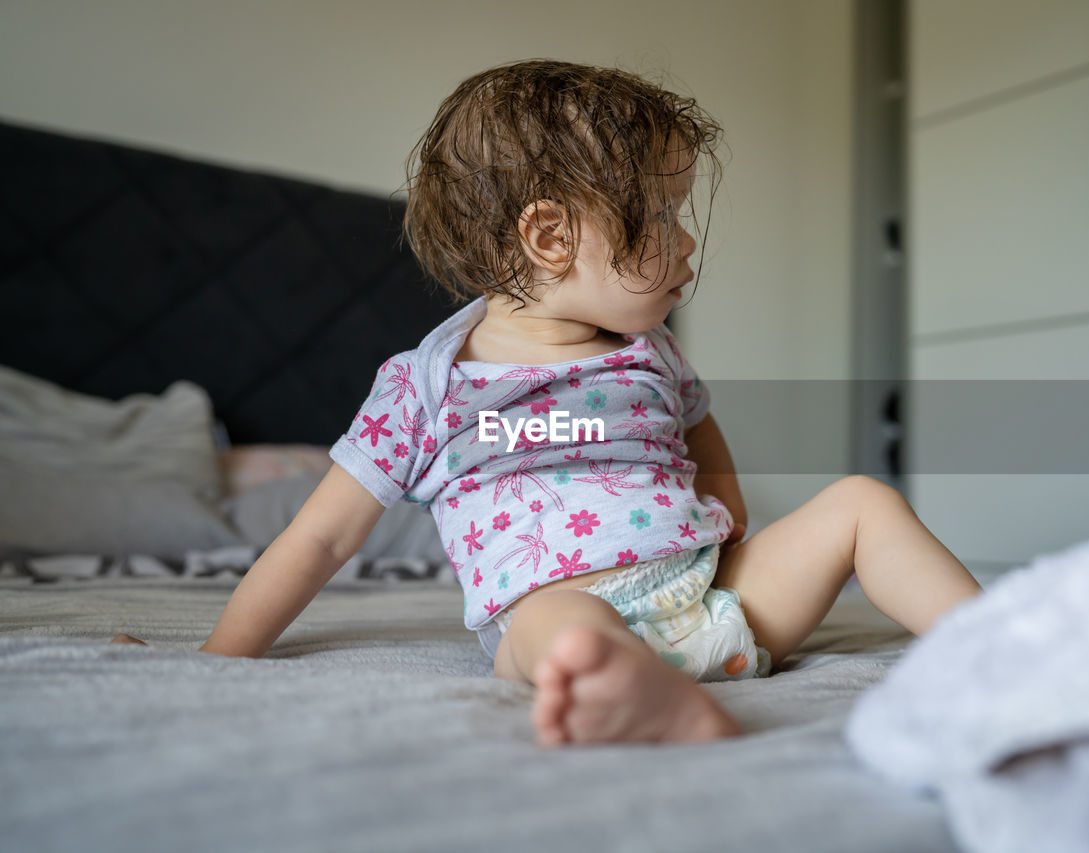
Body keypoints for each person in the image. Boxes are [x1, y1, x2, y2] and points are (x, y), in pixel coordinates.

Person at [116, 59, 981, 746]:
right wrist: (216, 661)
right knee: (555, 623)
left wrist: (730, 504)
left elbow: (696, 421)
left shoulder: (650, 350)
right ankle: (636, 696)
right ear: (550, 235)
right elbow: (318, 536)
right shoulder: (425, 391)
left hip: (719, 598)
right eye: (664, 217)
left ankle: (1001, 641)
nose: (689, 246)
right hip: (566, 612)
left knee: (863, 503)